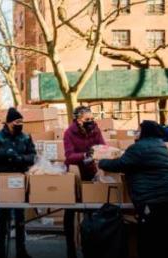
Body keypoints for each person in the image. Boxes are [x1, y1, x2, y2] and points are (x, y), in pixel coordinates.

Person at [99, 120, 168, 258]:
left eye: (138, 130)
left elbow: (121, 164)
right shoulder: (160, 144)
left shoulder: (139, 147)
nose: (135, 133)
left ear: (145, 132)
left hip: (154, 201)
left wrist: (101, 162)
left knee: (149, 241)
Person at [0, 107, 36, 258]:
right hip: (3, 179)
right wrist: (5, 153)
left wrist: (22, 158)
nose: (20, 124)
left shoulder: (25, 138)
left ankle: (21, 251)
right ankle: (0, 250)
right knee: (3, 216)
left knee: (20, 217)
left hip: (20, 179)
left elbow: (33, 156)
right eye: (17, 121)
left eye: (21, 121)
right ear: (8, 123)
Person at [63, 106, 105, 258]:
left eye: (92, 119)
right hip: (75, 174)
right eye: (87, 119)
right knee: (70, 210)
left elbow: (103, 146)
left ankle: (90, 247)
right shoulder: (69, 133)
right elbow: (69, 156)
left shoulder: (96, 130)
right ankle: (70, 249)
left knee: (91, 210)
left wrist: (101, 153)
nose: (91, 121)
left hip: (92, 173)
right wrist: (85, 155)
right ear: (78, 120)